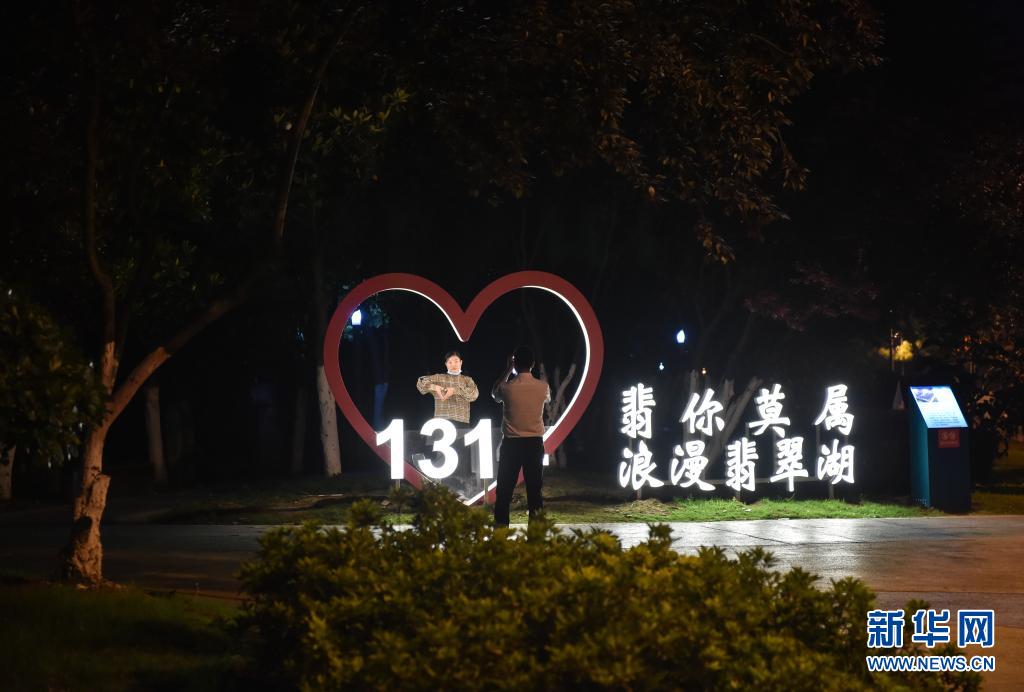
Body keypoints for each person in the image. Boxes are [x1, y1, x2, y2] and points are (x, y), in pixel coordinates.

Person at [491, 345, 550, 527]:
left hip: (512, 445)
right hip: (534, 444)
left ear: (515, 363)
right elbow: (547, 399)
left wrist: (508, 369)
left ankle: (500, 533)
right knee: (534, 492)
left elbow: (494, 393)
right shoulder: (542, 387)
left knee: (504, 492)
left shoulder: (507, 388)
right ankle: (536, 535)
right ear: (532, 364)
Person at [416, 350, 479, 424]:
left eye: (456, 361)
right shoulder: (439, 378)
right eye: (450, 362)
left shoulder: (467, 380)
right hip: (442, 421)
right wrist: (434, 387)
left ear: (461, 362)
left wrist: (455, 390)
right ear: (446, 364)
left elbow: (474, 394)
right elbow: (420, 382)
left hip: (462, 421)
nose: (453, 365)